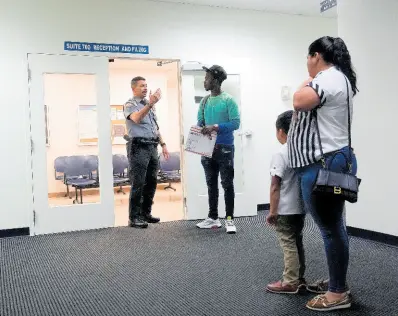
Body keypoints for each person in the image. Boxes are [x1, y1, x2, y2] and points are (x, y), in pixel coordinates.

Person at [288, 36, 358, 311]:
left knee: (330, 229)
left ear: (316, 55)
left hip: (324, 164)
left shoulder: (328, 78)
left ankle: (338, 293)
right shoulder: (338, 78)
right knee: (334, 226)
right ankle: (337, 281)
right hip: (329, 161)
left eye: (308, 58)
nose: (307, 64)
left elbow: (298, 100)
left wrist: (305, 80)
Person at [195, 65, 240, 234]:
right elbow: (200, 120)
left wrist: (215, 127)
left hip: (225, 148)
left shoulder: (229, 100)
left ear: (215, 80)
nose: (204, 81)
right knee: (211, 184)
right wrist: (202, 126)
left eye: (206, 78)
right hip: (207, 147)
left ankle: (229, 220)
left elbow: (235, 123)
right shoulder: (205, 101)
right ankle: (213, 218)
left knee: (227, 184)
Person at [265, 110, 306, 294]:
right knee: (297, 242)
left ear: (281, 131)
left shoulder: (281, 154)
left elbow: (275, 186)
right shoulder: (303, 151)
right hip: (301, 207)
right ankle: (299, 278)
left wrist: (273, 211)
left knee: (288, 243)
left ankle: (290, 281)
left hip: (285, 209)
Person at [123, 76, 170, 229]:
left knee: (152, 181)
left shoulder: (149, 106)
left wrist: (163, 144)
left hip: (152, 146)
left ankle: (145, 213)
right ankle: (134, 217)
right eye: (141, 85)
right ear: (133, 88)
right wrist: (150, 103)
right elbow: (136, 118)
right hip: (138, 147)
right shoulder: (130, 104)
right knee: (138, 183)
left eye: (146, 85)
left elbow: (155, 127)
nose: (145, 88)